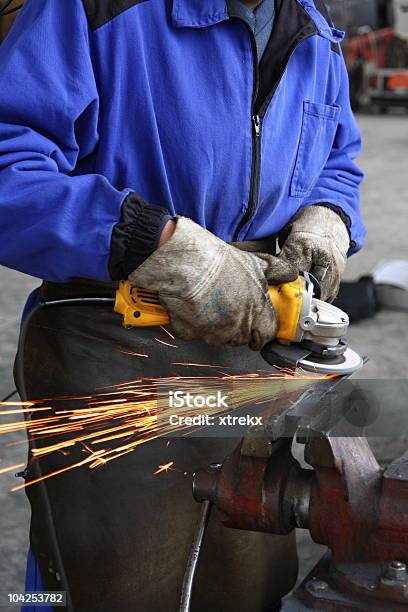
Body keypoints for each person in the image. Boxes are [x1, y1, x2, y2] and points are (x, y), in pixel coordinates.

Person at [0, 0, 365, 610]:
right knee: (115, 583)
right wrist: (154, 244)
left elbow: (336, 157)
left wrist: (330, 215)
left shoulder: (313, 28)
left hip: (256, 355)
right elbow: (10, 169)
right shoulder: (91, 9)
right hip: (112, 351)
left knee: (251, 573)